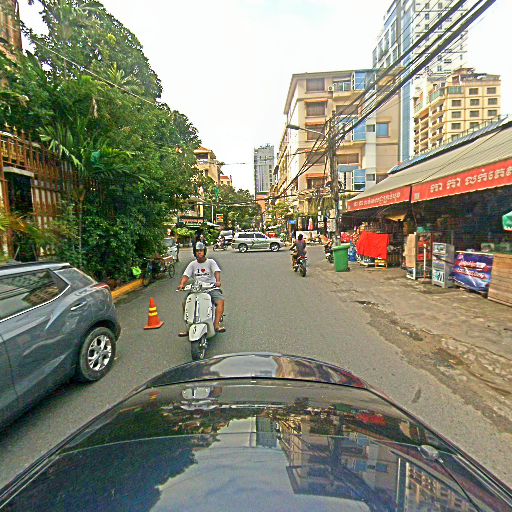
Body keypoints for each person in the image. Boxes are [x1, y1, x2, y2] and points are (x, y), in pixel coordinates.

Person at [178, 242, 225, 334]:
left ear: (204, 252)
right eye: (197, 251)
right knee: (185, 303)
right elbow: (186, 275)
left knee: (220, 301)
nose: (199, 252)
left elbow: (216, 271)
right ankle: (188, 327)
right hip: (196, 289)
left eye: (201, 250)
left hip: (210, 288)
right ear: (194, 252)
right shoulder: (192, 264)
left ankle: (216, 325)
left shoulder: (210, 262)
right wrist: (182, 284)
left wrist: (218, 281)